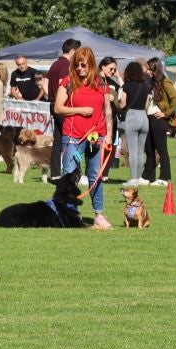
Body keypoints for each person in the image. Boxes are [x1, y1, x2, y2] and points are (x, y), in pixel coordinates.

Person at [54, 46, 113, 230]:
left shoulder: (101, 83)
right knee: (69, 174)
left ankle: (99, 215)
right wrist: (79, 110)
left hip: (97, 137)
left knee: (95, 176)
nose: (79, 69)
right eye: (77, 65)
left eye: (83, 65)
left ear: (91, 64)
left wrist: (109, 134)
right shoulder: (68, 82)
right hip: (73, 137)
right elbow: (58, 108)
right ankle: (67, 213)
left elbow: (107, 111)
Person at [45, 38, 78, 172]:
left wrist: (52, 98)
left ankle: (55, 173)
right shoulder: (65, 65)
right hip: (62, 106)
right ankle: (71, 170)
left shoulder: (55, 64)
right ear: (73, 51)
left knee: (58, 140)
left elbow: (44, 83)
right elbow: (62, 84)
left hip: (53, 104)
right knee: (70, 139)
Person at [119, 60, 153, 185]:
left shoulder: (126, 86)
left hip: (132, 116)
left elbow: (122, 104)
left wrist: (117, 102)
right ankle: (138, 178)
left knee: (132, 150)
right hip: (144, 117)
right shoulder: (146, 86)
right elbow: (146, 106)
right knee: (140, 150)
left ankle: (133, 179)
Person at [145, 57, 176, 184]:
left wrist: (166, 113)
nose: (147, 71)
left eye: (149, 69)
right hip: (149, 117)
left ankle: (165, 177)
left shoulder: (165, 81)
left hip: (159, 119)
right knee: (149, 149)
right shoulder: (152, 82)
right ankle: (148, 176)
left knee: (162, 150)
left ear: (155, 69)